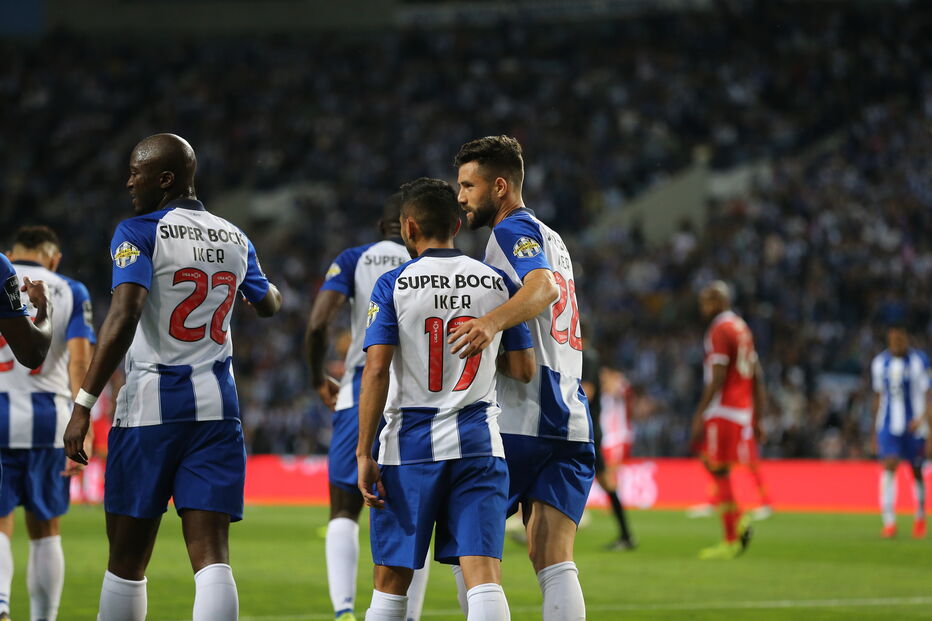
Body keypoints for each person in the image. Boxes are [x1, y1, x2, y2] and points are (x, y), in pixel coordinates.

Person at [62, 133, 282, 621]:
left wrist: (82, 403)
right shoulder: (234, 236)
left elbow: (124, 314)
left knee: (126, 561)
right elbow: (268, 304)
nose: (128, 183)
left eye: (136, 174)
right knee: (212, 557)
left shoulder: (138, 231)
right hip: (217, 411)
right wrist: (263, 294)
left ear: (165, 179)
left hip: (149, 409)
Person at [357, 177, 534, 621]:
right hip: (478, 444)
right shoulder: (498, 282)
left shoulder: (393, 284)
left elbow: (376, 369)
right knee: (484, 574)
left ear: (409, 228)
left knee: (392, 581)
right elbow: (525, 369)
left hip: (410, 447)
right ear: (458, 223)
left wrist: (362, 450)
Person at [450, 136, 594, 620]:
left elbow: (543, 288)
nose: (461, 197)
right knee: (554, 560)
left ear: (501, 186)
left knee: (469, 548)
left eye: (469, 185)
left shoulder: (512, 231)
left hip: (520, 416)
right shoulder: (555, 239)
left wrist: (490, 323)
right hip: (570, 418)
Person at [306, 194, 429, 621]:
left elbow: (319, 322)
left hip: (359, 388)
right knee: (415, 509)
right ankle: (409, 615)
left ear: (384, 223)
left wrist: (316, 376)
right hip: (416, 395)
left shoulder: (355, 258)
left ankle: (343, 612)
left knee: (343, 508)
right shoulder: (431, 261)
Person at [0, 226, 96, 621]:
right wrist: (83, 423)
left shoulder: (2, 274)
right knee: (46, 527)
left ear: (12, 252)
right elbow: (78, 361)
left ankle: (1, 607)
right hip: (49, 417)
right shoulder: (70, 288)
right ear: (53, 258)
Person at [690, 281, 757, 559]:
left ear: (719, 301)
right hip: (740, 407)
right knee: (715, 465)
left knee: (717, 468)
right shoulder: (741, 327)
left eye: (707, 300)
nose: (702, 306)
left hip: (723, 408)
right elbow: (755, 371)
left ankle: (733, 533)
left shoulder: (719, 328)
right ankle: (735, 525)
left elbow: (718, 375)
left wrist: (700, 412)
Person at [870, 325, 930, 539]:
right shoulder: (879, 363)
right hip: (888, 425)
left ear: (907, 338)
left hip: (915, 426)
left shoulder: (920, 361)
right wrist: (873, 430)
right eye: (892, 340)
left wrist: (925, 422)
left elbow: (928, 394)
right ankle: (889, 521)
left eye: (900, 340)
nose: (896, 344)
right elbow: (877, 396)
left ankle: (920, 515)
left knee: (916, 470)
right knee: (889, 466)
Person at [585, 363, 635, 550]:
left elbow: (614, 389)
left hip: (600, 433)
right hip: (597, 433)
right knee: (605, 479)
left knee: (607, 478)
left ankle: (626, 535)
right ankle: (626, 535)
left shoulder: (592, 363)